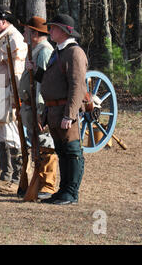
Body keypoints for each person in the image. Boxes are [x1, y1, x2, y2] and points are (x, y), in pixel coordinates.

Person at [27, 13, 87, 205]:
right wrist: (35, 71)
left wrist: (69, 114)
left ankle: (71, 192)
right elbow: (51, 80)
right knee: (61, 152)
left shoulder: (74, 53)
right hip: (53, 111)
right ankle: (63, 190)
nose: (49, 31)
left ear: (62, 31)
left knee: (72, 152)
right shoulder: (58, 51)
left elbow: (77, 86)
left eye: (52, 27)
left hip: (64, 111)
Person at [0, 4, 27, 193]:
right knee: (0, 135)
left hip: (6, 94)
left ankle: (17, 179)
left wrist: (15, 96)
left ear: (4, 20)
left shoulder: (14, 39)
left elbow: (17, 71)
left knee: (12, 136)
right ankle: (5, 175)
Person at [18, 16, 58, 200]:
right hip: (29, 107)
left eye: (27, 31)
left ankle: (47, 185)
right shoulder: (34, 50)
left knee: (45, 145)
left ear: (35, 34)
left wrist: (41, 112)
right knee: (37, 146)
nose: (24, 34)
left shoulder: (43, 52)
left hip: (38, 108)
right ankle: (39, 183)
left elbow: (43, 86)